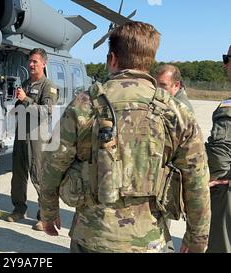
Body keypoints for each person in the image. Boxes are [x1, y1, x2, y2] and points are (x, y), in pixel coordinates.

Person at [39, 21, 211, 253]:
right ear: (150, 61)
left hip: (91, 238)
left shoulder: (84, 104)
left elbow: (53, 164)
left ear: (112, 59)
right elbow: (197, 179)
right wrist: (197, 238)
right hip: (149, 240)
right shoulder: (176, 111)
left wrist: (48, 213)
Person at [4, 48, 58, 231]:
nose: (31, 64)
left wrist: (26, 99)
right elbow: (20, 110)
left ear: (44, 63)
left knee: (39, 176)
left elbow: (46, 112)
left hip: (37, 138)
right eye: (30, 61)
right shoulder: (26, 84)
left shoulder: (48, 86)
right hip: (21, 135)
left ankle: (44, 216)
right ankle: (19, 209)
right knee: (18, 175)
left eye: (35, 61)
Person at [205, 46, 231, 253]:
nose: (224, 64)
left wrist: (213, 178)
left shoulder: (228, 108)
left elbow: (220, 154)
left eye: (227, 58)